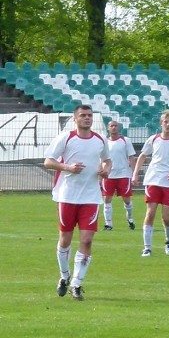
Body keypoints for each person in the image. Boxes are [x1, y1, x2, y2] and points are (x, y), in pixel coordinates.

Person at [43, 104, 112, 301]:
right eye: (83, 115)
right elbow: (48, 161)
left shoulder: (100, 140)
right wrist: (68, 167)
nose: (87, 118)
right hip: (67, 195)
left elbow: (107, 160)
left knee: (87, 239)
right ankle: (64, 276)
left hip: (90, 197)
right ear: (75, 119)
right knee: (65, 239)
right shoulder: (66, 138)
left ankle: (77, 283)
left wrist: (106, 169)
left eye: (89, 115)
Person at [132, 109, 169, 257]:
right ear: (161, 123)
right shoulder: (153, 139)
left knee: (166, 217)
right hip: (153, 180)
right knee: (150, 212)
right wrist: (135, 174)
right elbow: (142, 156)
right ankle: (147, 247)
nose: (168, 124)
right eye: (166, 122)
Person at [101, 120, 136, 231]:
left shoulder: (126, 140)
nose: (114, 127)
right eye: (111, 126)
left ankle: (130, 219)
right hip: (109, 175)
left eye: (116, 126)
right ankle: (108, 224)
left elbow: (131, 157)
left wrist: (134, 173)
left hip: (124, 174)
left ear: (119, 127)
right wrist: (100, 173)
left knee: (126, 200)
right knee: (107, 199)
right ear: (108, 128)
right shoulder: (105, 142)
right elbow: (101, 159)